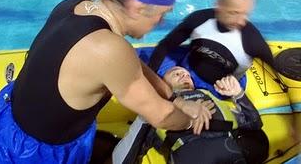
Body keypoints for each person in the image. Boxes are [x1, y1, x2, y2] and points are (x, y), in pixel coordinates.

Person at [0, 0, 214, 163]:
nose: (161, 22)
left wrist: (175, 98)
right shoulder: (108, 51)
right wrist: (191, 116)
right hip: (37, 154)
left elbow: (131, 63)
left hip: (6, 122)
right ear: (136, 7)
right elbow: (161, 117)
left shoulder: (74, 5)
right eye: (161, 14)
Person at [148, 0, 275, 99]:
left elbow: (276, 70)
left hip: (222, 89)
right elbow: (164, 46)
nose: (241, 21)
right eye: (234, 13)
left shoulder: (253, 41)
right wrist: (150, 82)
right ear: (219, 5)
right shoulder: (199, 20)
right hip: (187, 68)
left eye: (245, 14)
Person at [113, 66, 268, 164]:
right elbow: (122, 159)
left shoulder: (212, 99)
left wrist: (238, 94)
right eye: (176, 73)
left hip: (229, 150)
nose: (184, 76)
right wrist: (149, 111)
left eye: (187, 74)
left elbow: (254, 124)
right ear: (164, 84)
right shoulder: (158, 109)